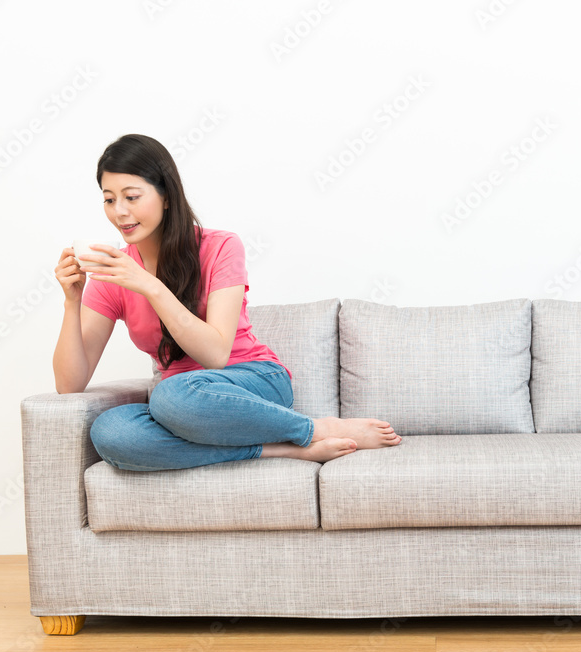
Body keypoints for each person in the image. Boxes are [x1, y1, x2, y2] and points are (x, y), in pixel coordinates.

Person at [52, 133, 401, 471]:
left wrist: (150, 285)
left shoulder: (219, 247)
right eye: (109, 199)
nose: (120, 212)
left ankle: (314, 429)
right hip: (186, 406)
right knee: (111, 433)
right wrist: (72, 301)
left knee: (169, 396)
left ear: (166, 196)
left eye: (132, 197)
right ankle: (278, 449)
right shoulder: (114, 274)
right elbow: (70, 385)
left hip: (251, 382)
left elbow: (215, 355)